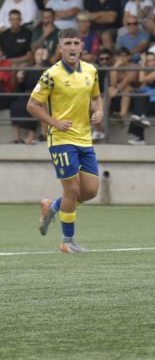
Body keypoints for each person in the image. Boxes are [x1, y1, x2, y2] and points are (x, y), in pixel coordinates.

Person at [28, 28, 104, 254]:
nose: (72, 47)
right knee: (72, 190)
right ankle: (67, 241)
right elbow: (32, 105)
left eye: (75, 43)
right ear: (60, 48)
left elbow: (96, 96)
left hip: (84, 138)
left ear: (82, 46)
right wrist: (53, 122)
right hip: (61, 139)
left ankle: (51, 208)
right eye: (67, 43)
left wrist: (98, 110)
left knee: (90, 191)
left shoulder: (91, 70)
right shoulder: (51, 74)